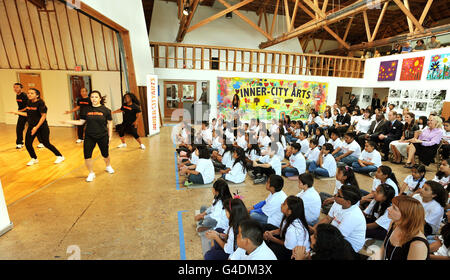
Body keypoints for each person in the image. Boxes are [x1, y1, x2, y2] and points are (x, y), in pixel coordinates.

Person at [62, 91, 115, 181]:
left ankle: (108, 166)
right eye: (92, 97)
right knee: (87, 156)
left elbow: (110, 123)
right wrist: (68, 121)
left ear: (100, 98)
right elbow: (81, 122)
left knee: (105, 154)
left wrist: (110, 136)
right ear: (90, 99)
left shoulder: (106, 110)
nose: (94, 99)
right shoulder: (86, 109)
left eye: (96, 97)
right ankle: (91, 173)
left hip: (102, 135)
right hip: (89, 136)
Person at [9, 88, 65, 166]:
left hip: (42, 127)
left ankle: (60, 156)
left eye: (32, 93)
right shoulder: (28, 103)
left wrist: (36, 127)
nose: (29, 94)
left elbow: (43, 117)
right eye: (28, 93)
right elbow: (28, 114)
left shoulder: (41, 104)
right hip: (31, 126)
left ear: (37, 95)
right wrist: (17, 112)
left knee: (46, 143)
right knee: (28, 144)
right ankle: (34, 158)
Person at [314, 184, 366, 254]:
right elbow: (328, 218)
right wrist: (314, 230)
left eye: (338, 195)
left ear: (348, 202)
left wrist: (316, 237)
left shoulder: (353, 216)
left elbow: (337, 238)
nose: (335, 195)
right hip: (335, 233)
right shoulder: (338, 202)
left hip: (348, 244)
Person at [380, 195, 429, 260]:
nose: (388, 208)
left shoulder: (418, 244)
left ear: (406, 216)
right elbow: (383, 248)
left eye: (394, 208)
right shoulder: (394, 224)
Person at [263, 196, 311, 260]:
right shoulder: (290, 217)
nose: (281, 204)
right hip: (289, 242)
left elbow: (287, 247)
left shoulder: (292, 229)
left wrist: (272, 238)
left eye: (284, 204)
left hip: (294, 253)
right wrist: (272, 232)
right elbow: (282, 229)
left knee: (271, 248)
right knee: (267, 226)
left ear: (289, 211)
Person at [13, 83, 43, 149]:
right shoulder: (17, 95)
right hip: (22, 114)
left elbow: (27, 107)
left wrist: (19, 111)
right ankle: (19, 143)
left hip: (29, 113)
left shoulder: (24, 95)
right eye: (14, 87)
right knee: (19, 128)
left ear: (21, 88)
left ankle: (42, 142)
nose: (15, 89)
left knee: (34, 127)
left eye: (17, 87)